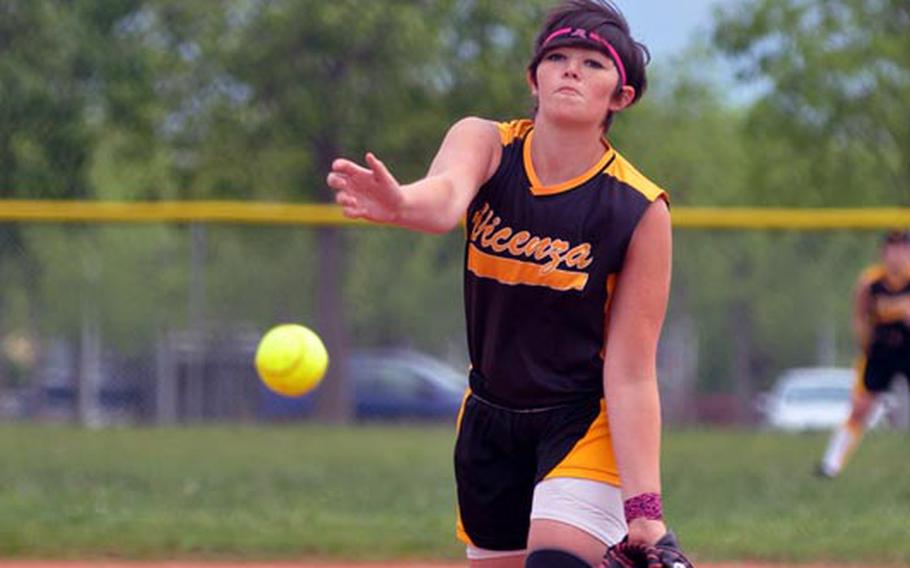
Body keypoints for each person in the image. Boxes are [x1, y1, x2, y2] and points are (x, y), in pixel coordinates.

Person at [328, 1, 692, 566]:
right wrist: (402, 203)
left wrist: (645, 509)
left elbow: (630, 371)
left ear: (621, 97)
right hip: (489, 421)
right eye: (558, 57)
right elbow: (445, 198)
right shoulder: (488, 144)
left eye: (594, 64)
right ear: (534, 78)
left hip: (580, 420)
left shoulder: (638, 210)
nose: (571, 69)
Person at [817, 230, 910, 479]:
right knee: (860, 408)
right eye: (891, 249)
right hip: (881, 351)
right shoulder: (871, 282)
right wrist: (866, 343)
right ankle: (830, 465)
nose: (896, 255)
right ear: (883, 253)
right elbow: (860, 317)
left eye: (902, 249)